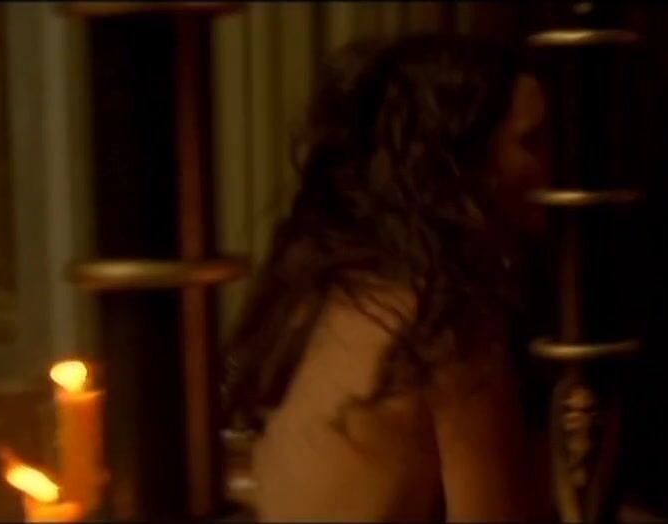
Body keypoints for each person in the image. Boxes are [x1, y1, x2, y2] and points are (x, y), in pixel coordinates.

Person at [222, 35, 553, 522]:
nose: (554, 162)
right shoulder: (448, 323)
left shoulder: (324, 291)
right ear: (461, 158)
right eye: (533, 141)